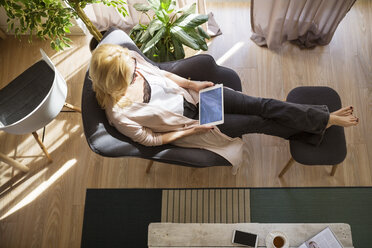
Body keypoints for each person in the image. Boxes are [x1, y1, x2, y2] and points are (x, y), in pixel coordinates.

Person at [89, 44, 359, 173]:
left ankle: (323, 119)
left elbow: (163, 73)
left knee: (260, 104)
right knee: (258, 121)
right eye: (132, 74)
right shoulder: (120, 115)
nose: (138, 69)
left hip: (198, 99)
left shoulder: (130, 61)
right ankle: (323, 122)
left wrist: (192, 86)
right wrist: (193, 130)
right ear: (116, 83)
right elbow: (151, 140)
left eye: (135, 66)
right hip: (194, 126)